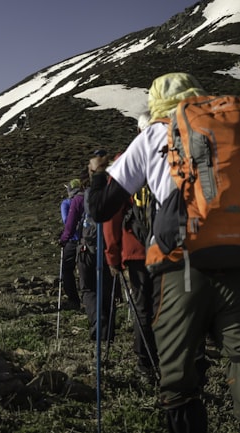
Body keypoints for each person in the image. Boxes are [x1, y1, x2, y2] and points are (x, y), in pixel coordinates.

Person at [84, 72, 240, 433]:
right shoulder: (238, 135)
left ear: (156, 104)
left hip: (180, 269)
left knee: (179, 379)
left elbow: (101, 208)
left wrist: (98, 175)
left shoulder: (153, 134)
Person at [101, 153, 158, 382]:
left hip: (137, 250)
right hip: (172, 246)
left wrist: (112, 256)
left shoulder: (126, 162)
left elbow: (112, 214)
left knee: (143, 308)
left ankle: (146, 365)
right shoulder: (174, 153)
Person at [61, 173, 114, 342]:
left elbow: (69, 225)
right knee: (105, 288)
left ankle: (98, 325)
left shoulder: (77, 200)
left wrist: (63, 240)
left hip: (86, 249)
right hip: (106, 248)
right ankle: (109, 330)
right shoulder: (108, 197)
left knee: (88, 289)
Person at [56, 178, 83, 311]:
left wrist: (63, 238)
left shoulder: (66, 203)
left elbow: (67, 222)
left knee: (67, 270)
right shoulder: (87, 200)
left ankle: (74, 300)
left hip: (72, 240)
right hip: (87, 240)